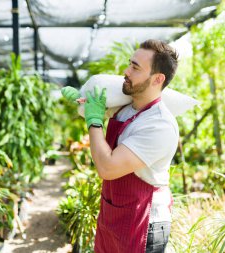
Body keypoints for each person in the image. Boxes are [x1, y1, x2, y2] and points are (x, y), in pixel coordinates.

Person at [62, 39, 179, 253]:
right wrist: (82, 100)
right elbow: (97, 107)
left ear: (158, 79)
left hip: (143, 223)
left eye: (135, 68)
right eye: (129, 64)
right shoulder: (126, 109)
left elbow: (108, 168)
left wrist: (94, 121)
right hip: (114, 214)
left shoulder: (159, 125)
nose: (126, 71)